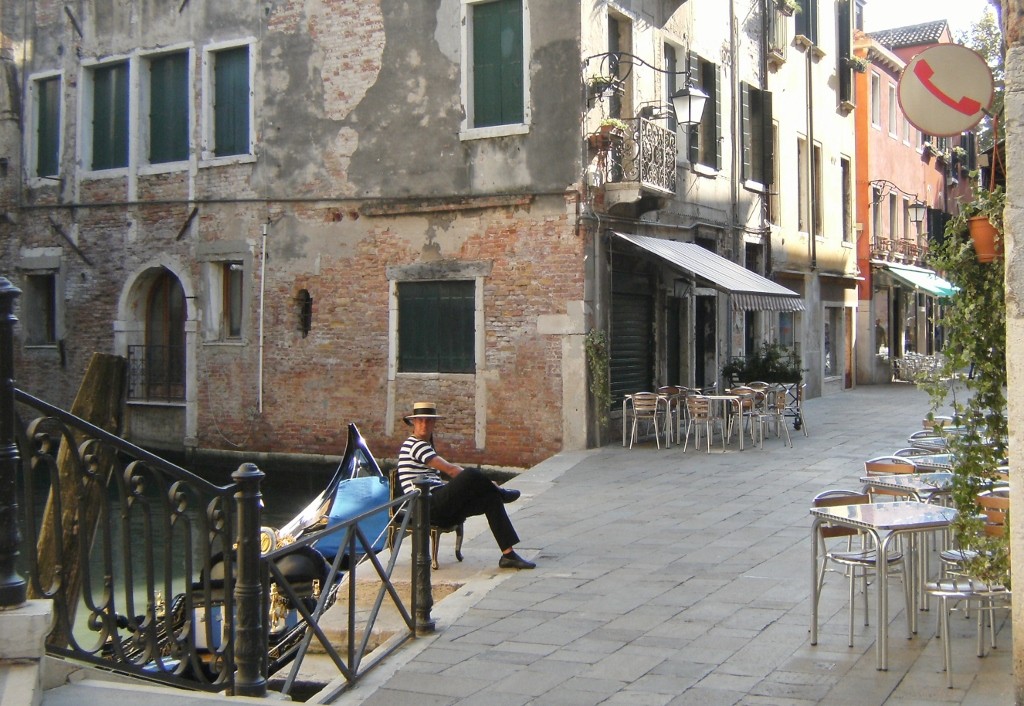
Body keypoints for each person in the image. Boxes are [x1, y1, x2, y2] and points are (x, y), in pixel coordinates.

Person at [397, 401, 535, 570]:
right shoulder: (415, 445)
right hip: (426, 506)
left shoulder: (425, 445)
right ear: (414, 423)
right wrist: (483, 482)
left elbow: (437, 481)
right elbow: (451, 470)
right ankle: (500, 492)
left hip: (439, 504)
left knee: (490, 499)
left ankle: (508, 555)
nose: (424, 424)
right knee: (470, 474)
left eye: (428, 421)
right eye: (420, 421)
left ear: (433, 424)